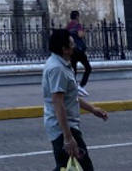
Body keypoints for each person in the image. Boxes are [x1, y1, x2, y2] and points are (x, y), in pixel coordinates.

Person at [43, 28, 109, 171]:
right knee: (83, 168)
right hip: (63, 129)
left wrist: (92, 109)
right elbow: (58, 103)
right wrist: (68, 137)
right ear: (64, 49)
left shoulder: (62, 64)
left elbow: (70, 97)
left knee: (66, 167)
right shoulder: (57, 69)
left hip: (65, 127)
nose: (75, 47)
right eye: (72, 44)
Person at [66, 10, 93, 96]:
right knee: (88, 68)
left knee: (74, 70)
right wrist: (84, 32)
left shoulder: (68, 26)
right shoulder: (78, 25)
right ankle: (81, 86)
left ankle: (74, 88)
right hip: (79, 50)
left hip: (72, 50)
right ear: (77, 16)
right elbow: (80, 35)